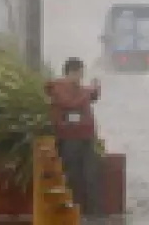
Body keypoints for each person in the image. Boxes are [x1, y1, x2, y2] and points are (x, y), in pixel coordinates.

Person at [45, 57, 103, 216]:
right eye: (78, 74)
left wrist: (95, 89)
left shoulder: (80, 89)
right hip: (69, 139)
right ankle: (74, 214)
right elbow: (71, 103)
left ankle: (94, 214)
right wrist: (89, 91)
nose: (80, 78)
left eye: (82, 74)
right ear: (70, 73)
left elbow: (92, 96)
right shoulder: (59, 88)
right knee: (73, 177)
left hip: (86, 137)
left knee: (91, 176)